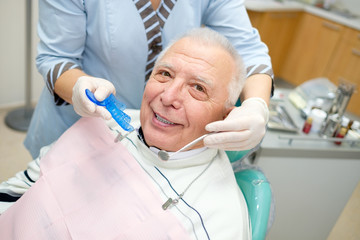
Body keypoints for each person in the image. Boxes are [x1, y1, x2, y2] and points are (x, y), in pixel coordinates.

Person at [0, 28, 251, 239]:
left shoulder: (220, 218)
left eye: (197, 88)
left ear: (225, 117)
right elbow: (21, 188)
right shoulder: (104, 124)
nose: (168, 96)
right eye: (165, 74)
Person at [24, 0, 273, 159]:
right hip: (76, 128)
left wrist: (256, 105)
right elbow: (56, 57)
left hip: (158, 145)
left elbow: (248, 50)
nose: (168, 97)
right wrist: (79, 86)